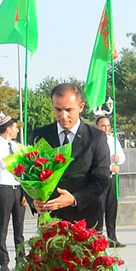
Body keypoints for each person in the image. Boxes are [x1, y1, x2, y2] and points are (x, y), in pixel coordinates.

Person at [26, 83, 110, 229]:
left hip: (85, 221)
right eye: (57, 109)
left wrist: (74, 199)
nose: (63, 116)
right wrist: (34, 201)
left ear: (81, 107)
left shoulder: (96, 137)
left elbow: (101, 180)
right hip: (50, 222)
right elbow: (27, 174)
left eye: (68, 110)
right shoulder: (40, 136)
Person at [0, 117, 25, 271]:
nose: (17, 130)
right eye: (15, 127)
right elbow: (5, 163)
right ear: (8, 129)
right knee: (3, 227)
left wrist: (25, 192)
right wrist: (20, 160)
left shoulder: (16, 146)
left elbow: (24, 169)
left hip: (18, 189)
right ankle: (4, 262)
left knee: (19, 228)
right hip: (4, 190)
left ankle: (21, 259)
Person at [94, 114, 126, 247]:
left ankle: (112, 238)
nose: (106, 128)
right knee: (99, 209)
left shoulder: (113, 140)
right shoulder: (93, 141)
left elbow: (123, 157)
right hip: (99, 179)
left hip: (112, 179)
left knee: (112, 208)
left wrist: (119, 160)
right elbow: (93, 162)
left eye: (108, 126)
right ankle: (98, 238)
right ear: (97, 127)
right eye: (103, 126)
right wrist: (108, 167)